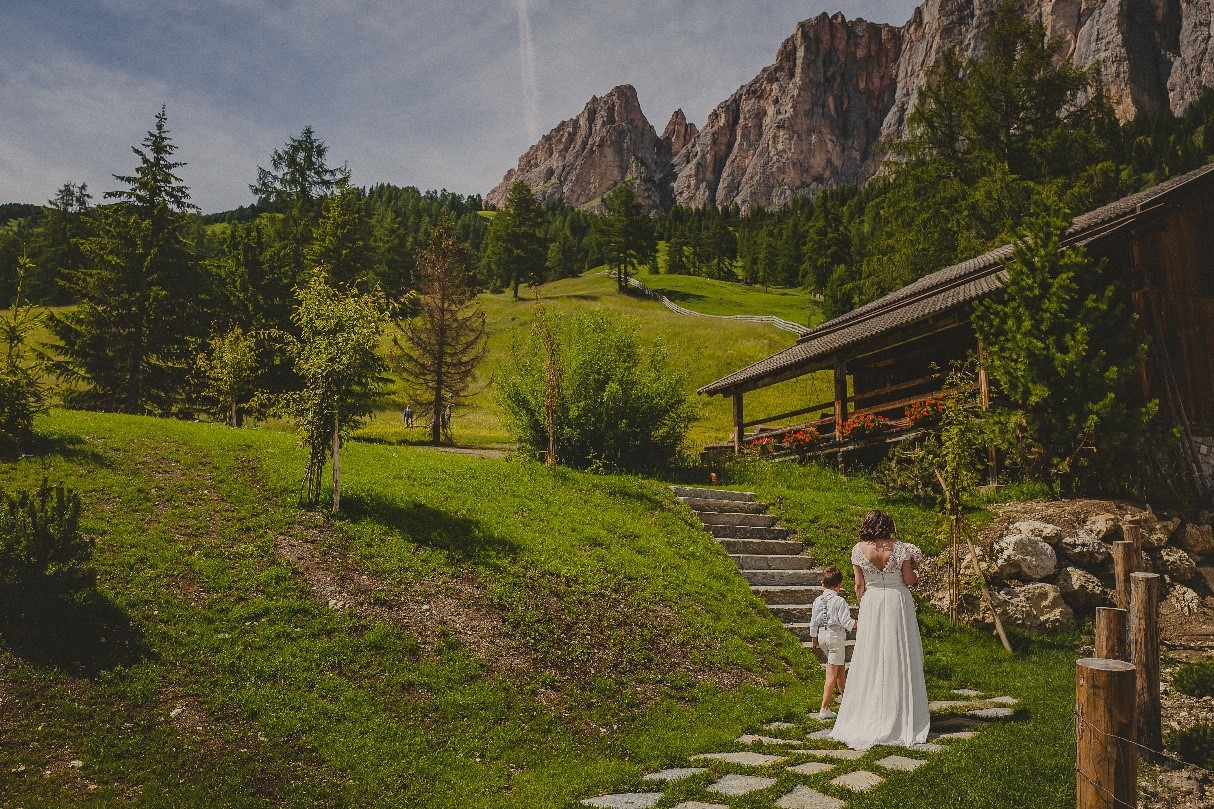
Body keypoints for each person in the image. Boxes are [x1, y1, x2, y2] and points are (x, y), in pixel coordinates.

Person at [830, 509, 930, 750]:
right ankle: (900, 713)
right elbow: (909, 580)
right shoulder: (901, 548)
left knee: (871, 656)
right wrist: (913, 568)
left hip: (873, 602)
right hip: (897, 601)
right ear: (888, 526)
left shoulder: (858, 549)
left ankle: (870, 711)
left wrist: (865, 607)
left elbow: (858, 585)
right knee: (899, 653)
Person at [809, 565, 857, 720]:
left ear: (823, 583)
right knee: (831, 672)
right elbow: (845, 621)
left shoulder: (818, 600)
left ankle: (845, 698)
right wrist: (859, 623)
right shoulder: (839, 601)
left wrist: (814, 639)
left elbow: (813, 622)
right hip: (835, 636)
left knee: (839, 668)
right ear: (839, 584)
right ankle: (824, 708)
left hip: (822, 636)